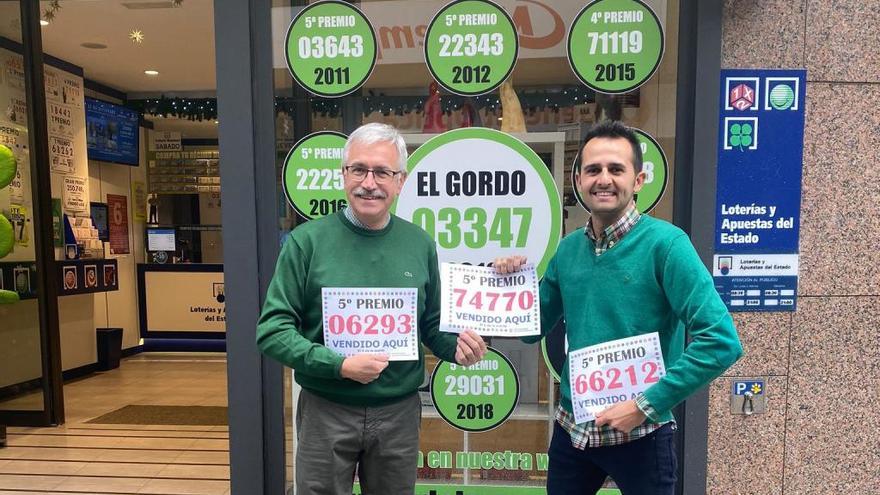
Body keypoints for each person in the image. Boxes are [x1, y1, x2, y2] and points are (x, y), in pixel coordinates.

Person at [494, 120, 742, 495]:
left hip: (641, 434)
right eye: (593, 169)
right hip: (572, 430)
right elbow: (531, 328)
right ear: (578, 180)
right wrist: (510, 280)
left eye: (616, 169)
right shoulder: (568, 249)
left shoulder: (667, 246)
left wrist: (645, 404)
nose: (603, 179)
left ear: (638, 180)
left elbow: (721, 341)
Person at [257, 122, 487, 495]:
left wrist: (458, 348)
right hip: (326, 409)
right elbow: (272, 330)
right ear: (343, 175)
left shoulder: (419, 243)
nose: (369, 182)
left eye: (382, 172)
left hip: (397, 412)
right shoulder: (306, 243)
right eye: (359, 169)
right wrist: (339, 365)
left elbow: (430, 324)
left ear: (401, 180)